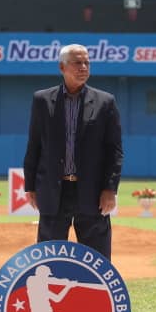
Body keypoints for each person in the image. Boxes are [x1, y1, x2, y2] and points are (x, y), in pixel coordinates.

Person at [23, 43, 123, 259]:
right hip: (53, 190)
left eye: (87, 62)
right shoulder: (42, 100)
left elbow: (114, 150)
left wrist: (110, 189)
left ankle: (97, 293)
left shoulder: (105, 102)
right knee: (49, 258)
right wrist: (30, 185)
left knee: (97, 257)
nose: (84, 67)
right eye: (78, 63)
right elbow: (34, 144)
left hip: (92, 192)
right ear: (62, 67)